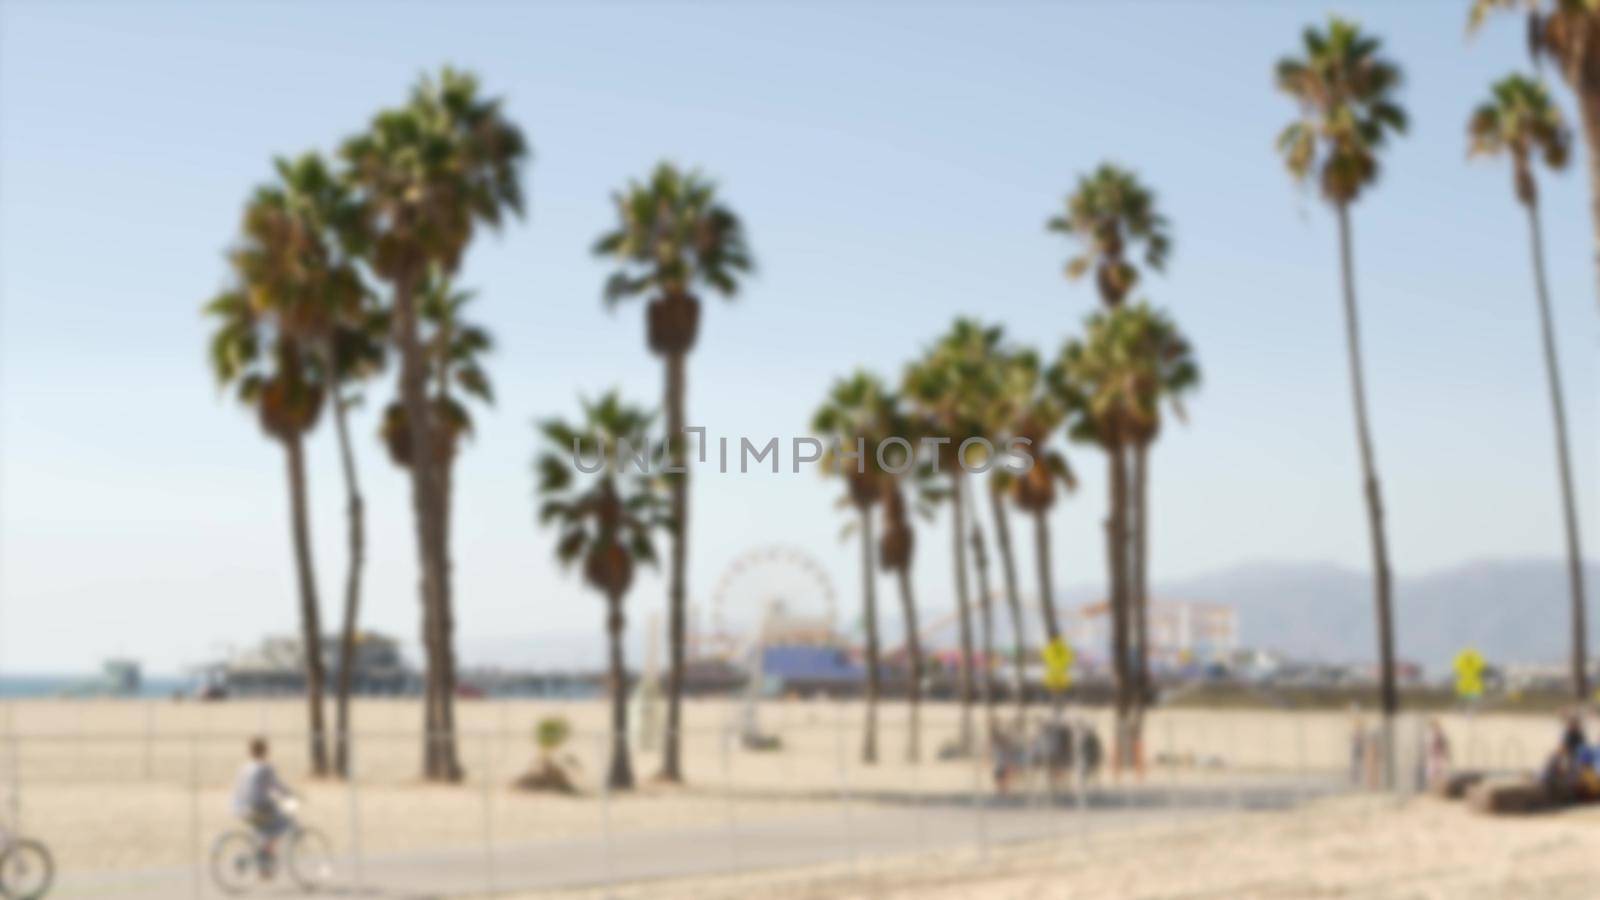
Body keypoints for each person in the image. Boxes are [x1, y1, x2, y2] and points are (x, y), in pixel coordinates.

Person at [231, 737, 295, 873]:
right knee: (284, 823)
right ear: (265, 751)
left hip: (241, 808)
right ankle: (264, 859)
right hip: (258, 808)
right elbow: (277, 786)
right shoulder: (265, 768)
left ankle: (264, 861)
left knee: (265, 830)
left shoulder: (244, 767)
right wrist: (290, 794)